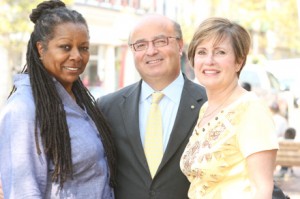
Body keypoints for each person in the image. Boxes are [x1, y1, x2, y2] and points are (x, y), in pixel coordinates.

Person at [0, 1, 116, 198]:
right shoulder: (24, 108)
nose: (77, 56)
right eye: (65, 47)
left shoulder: (80, 101)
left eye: (84, 47)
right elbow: (24, 192)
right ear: (41, 49)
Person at [97, 14, 207, 199]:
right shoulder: (107, 108)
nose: (151, 51)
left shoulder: (210, 103)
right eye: (140, 45)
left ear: (180, 45)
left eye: (160, 41)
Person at [180, 17, 279, 198]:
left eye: (220, 52)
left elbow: (262, 190)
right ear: (193, 60)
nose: (209, 60)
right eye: (202, 52)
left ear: (238, 62)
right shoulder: (206, 109)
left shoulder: (250, 110)